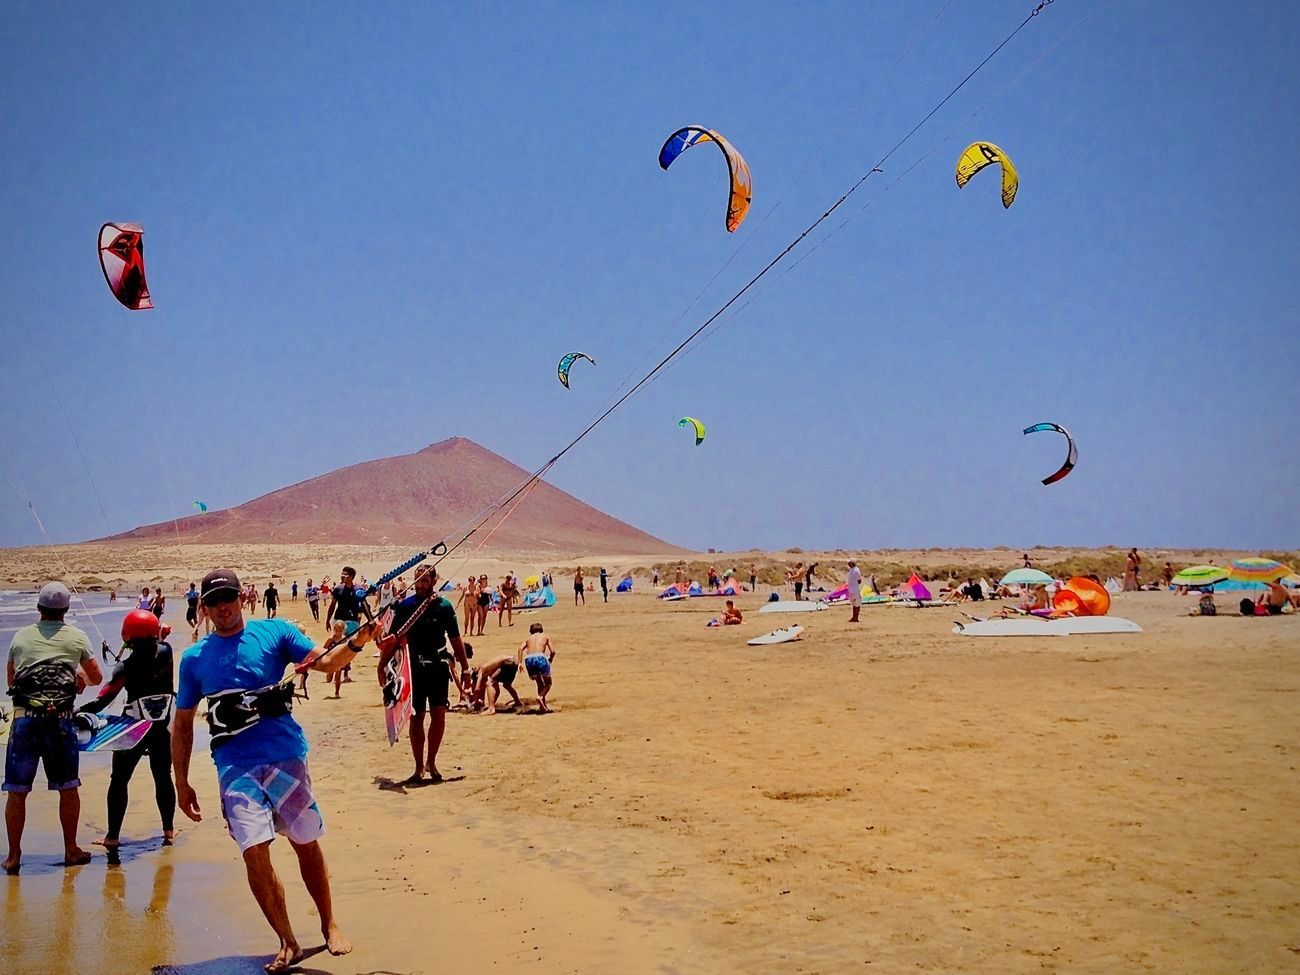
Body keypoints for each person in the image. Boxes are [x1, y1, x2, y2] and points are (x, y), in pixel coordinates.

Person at [173, 568, 372, 973]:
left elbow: (326, 663)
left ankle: (329, 923)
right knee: (253, 851)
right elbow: (183, 721)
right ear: (204, 609)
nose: (223, 607)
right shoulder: (194, 659)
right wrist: (181, 780)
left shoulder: (275, 632)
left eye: (229, 597)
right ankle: (287, 940)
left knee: (305, 841)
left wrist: (356, 643)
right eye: (214, 602)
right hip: (234, 766)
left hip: (285, 756)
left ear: (242, 598)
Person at [4, 582, 103, 873]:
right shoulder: (77, 637)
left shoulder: (20, 637)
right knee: (68, 787)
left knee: (17, 791)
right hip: (59, 721)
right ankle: (71, 849)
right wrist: (78, 677)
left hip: (24, 721)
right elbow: (96, 678)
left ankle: (13, 856)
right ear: (66, 610)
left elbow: (11, 682)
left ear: (38, 608)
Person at [79, 610, 176, 850]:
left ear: (127, 636)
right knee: (162, 776)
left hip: (133, 728)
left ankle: (112, 837)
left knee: (119, 779)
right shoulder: (166, 653)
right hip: (161, 726)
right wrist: (158, 633)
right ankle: (168, 829)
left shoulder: (125, 667)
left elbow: (104, 698)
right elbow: (160, 641)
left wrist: (77, 712)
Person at [377, 567, 469, 784]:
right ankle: (418, 767)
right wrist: (381, 666)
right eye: (417, 580)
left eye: (425, 581)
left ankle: (432, 762)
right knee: (416, 717)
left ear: (434, 581)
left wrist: (465, 667)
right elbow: (393, 638)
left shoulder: (444, 607)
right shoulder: (406, 607)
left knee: (438, 715)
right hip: (414, 669)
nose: (420, 585)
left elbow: (456, 639)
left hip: (437, 667)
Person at [324, 567, 373, 694]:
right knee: (336, 646)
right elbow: (332, 605)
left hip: (353, 622)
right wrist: (328, 619)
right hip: (339, 620)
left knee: (349, 648)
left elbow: (364, 605)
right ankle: (333, 668)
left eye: (345, 576)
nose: (342, 577)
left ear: (351, 577)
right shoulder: (338, 589)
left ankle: (344, 672)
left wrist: (370, 620)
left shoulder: (358, 590)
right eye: (342, 575)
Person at [518, 623, 556, 713]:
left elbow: (520, 649)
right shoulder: (545, 636)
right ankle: (541, 696)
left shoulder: (528, 639)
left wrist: (520, 663)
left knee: (539, 683)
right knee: (548, 683)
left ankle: (542, 706)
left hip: (528, 659)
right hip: (540, 657)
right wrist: (550, 659)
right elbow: (553, 651)